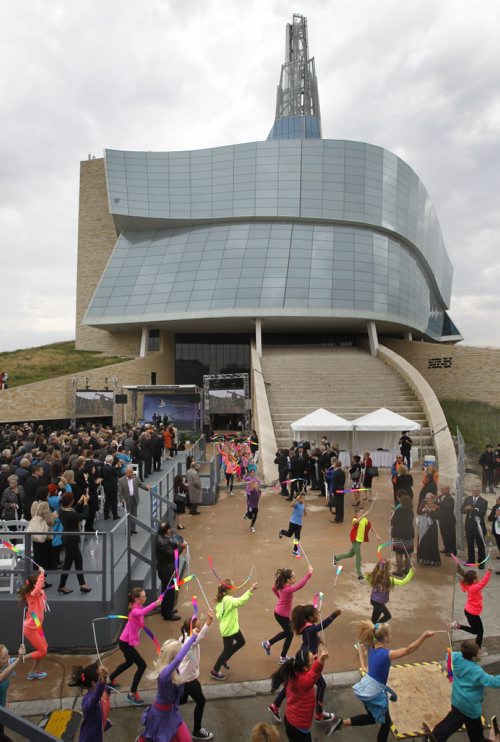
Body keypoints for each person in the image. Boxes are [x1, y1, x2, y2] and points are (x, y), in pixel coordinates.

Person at [335, 621, 436, 740]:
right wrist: (423, 636)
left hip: (366, 688)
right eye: (390, 634)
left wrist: (364, 666)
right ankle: (340, 723)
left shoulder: (371, 646)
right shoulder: (386, 654)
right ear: (386, 637)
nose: (391, 636)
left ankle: (340, 723)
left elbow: (360, 647)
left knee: (373, 718)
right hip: (374, 694)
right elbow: (409, 649)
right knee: (386, 723)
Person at [424, 639, 500, 741]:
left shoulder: (457, 657)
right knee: (476, 735)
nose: (481, 653)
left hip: (457, 701)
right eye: (479, 653)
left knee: (451, 722)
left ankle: (434, 737)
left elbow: (448, 655)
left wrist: (464, 652)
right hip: (471, 708)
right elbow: (494, 682)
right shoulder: (476, 671)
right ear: (473, 658)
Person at [139, 630, 200, 742]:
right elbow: (178, 659)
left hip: (171, 712)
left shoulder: (174, 670)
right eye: (179, 654)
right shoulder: (164, 674)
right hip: (160, 715)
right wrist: (193, 638)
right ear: (173, 658)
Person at [270, 646, 340, 740]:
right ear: (305, 667)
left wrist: (320, 659)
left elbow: (312, 671)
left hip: (290, 720)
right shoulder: (304, 682)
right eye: (313, 661)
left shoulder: (294, 671)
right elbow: (314, 672)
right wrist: (322, 659)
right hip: (299, 728)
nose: (315, 661)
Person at [108, 587, 162, 705]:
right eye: (143, 596)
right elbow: (141, 613)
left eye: (145, 596)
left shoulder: (138, 606)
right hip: (125, 643)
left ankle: (109, 679)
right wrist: (155, 603)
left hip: (125, 642)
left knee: (129, 662)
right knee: (142, 665)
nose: (145, 598)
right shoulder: (135, 611)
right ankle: (132, 694)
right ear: (136, 599)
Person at [262, 565, 313, 664]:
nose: (295, 578)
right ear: (288, 580)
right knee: (289, 634)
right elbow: (300, 585)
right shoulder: (288, 589)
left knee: (288, 633)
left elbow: (273, 588)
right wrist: (309, 574)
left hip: (279, 613)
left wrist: (280, 598)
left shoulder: (283, 585)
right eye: (293, 577)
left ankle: (268, 644)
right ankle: (282, 657)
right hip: (281, 615)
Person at [210, 580, 258, 680]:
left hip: (232, 627)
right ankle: (215, 670)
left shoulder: (222, 599)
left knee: (241, 641)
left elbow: (219, 614)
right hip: (228, 630)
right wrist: (251, 590)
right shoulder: (228, 600)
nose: (235, 587)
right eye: (233, 586)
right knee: (226, 650)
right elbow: (240, 601)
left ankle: (225, 659)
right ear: (228, 589)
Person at [178, 610, 214, 740]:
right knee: (201, 701)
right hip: (188, 679)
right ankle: (197, 730)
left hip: (185, 677)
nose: (199, 629)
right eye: (198, 627)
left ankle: (164, 709)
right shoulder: (190, 641)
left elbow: (201, 634)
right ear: (193, 629)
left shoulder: (183, 637)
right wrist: (209, 620)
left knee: (181, 700)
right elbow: (203, 633)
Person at [448, 565, 492, 649]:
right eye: (477, 578)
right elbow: (483, 583)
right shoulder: (474, 588)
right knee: (480, 631)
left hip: (468, 612)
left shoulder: (469, 586)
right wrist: (489, 572)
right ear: (474, 581)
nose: (479, 579)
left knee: (475, 630)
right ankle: (477, 650)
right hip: (473, 613)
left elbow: (474, 582)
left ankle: (457, 626)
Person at [57, 491, 92, 594]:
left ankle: (79, 584)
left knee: (74, 561)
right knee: (72, 562)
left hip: (66, 537)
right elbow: (84, 515)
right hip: (72, 539)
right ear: (71, 502)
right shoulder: (71, 514)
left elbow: (73, 511)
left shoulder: (61, 510)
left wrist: (79, 502)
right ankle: (79, 585)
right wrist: (85, 503)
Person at [334, 505, 378, 580]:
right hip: (355, 539)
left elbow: (370, 526)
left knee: (351, 554)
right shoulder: (354, 519)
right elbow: (356, 521)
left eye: (363, 512)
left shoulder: (364, 519)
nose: (362, 513)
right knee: (358, 556)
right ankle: (359, 575)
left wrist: (377, 534)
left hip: (360, 540)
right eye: (361, 512)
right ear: (357, 513)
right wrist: (364, 515)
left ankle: (336, 557)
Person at [18, 570, 48, 680]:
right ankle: (20, 659)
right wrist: (41, 573)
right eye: (41, 580)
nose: (44, 580)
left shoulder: (39, 593)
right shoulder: (32, 595)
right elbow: (38, 587)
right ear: (35, 585)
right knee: (42, 651)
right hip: (30, 629)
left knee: (44, 648)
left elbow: (36, 613)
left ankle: (33, 672)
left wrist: (38, 623)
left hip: (37, 625)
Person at [70, 662, 111, 742]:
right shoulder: (88, 700)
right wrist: (101, 684)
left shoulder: (105, 690)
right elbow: (95, 698)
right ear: (94, 683)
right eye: (101, 677)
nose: (104, 677)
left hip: (98, 733)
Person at [365, 559, 414, 624]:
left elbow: (367, 577)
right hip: (379, 603)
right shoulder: (389, 580)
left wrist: (375, 574)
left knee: (386, 616)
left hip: (374, 600)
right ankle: (374, 629)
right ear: (387, 569)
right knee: (376, 620)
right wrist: (411, 572)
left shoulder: (374, 576)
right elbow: (403, 582)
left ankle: (375, 628)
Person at [156, 522, 184, 621]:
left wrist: (177, 544)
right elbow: (173, 554)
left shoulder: (161, 537)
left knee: (167, 591)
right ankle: (167, 614)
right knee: (169, 592)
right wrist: (181, 547)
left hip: (167, 569)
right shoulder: (162, 542)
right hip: (168, 571)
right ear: (167, 530)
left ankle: (167, 609)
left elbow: (170, 545)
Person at [0, 642, 26, 740]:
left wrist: (21, 654)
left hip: (2, 711)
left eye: (8, 654)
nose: (8, 657)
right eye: (4, 657)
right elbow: (1, 677)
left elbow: (23, 659)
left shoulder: (5, 665)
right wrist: (19, 659)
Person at [117, 465, 151, 534]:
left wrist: (147, 488)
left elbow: (141, 485)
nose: (130, 474)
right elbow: (120, 493)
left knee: (134, 515)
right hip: (127, 500)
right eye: (128, 473)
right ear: (125, 473)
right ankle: (128, 530)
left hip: (135, 499)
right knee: (128, 515)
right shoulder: (121, 480)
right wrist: (122, 500)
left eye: (131, 473)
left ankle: (133, 529)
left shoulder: (136, 478)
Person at [461, 488, 488, 568]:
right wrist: (465, 509)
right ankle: (471, 560)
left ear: (479, 492)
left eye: (476, 491)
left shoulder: (483, 501)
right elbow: (461, 510)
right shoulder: (467, 499)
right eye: (473, 490)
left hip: (478, 526)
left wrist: (472, 509)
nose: (475, 492)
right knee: (470, 544)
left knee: (480, 545)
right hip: (469, 526)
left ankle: (481, 562)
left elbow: (482, 513)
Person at [391, 493, 414, 576]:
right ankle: (407, 569)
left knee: (399, 553)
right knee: (408, 553)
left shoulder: (398, 511)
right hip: (409, 534)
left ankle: (399, 571)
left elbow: (393, 522)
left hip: (399, 534)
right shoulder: (410, 511)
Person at [417, 493, 441, 567]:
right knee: (424, 542)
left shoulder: (436, 507)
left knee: (432, 542)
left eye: (430, 499)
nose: (429, 500)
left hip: (432, 527)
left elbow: (436, 516)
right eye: (427, 499)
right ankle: (424, 559)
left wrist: (430, 511)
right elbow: (418, 511)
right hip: (423, 526)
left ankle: (433, 560)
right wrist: (424, 510)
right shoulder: (423, 505)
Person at [436, 486, 457, 556]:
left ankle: (452, 551)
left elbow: (447, 507)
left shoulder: (450, 499)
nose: (442, 490)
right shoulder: (440, 497)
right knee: (444, 535)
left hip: (449, 521)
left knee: (450, 536)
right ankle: (447, 548)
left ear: (448, 490)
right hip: (442, 520)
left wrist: (438, 503)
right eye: (441, 489)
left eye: (444, 489)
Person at [488, 494, 500, 560]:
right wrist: (496, 515)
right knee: (498, 542)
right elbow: (489, 518)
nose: (497, 500)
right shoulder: (495, 507)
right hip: (497, 529)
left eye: (498, 500)